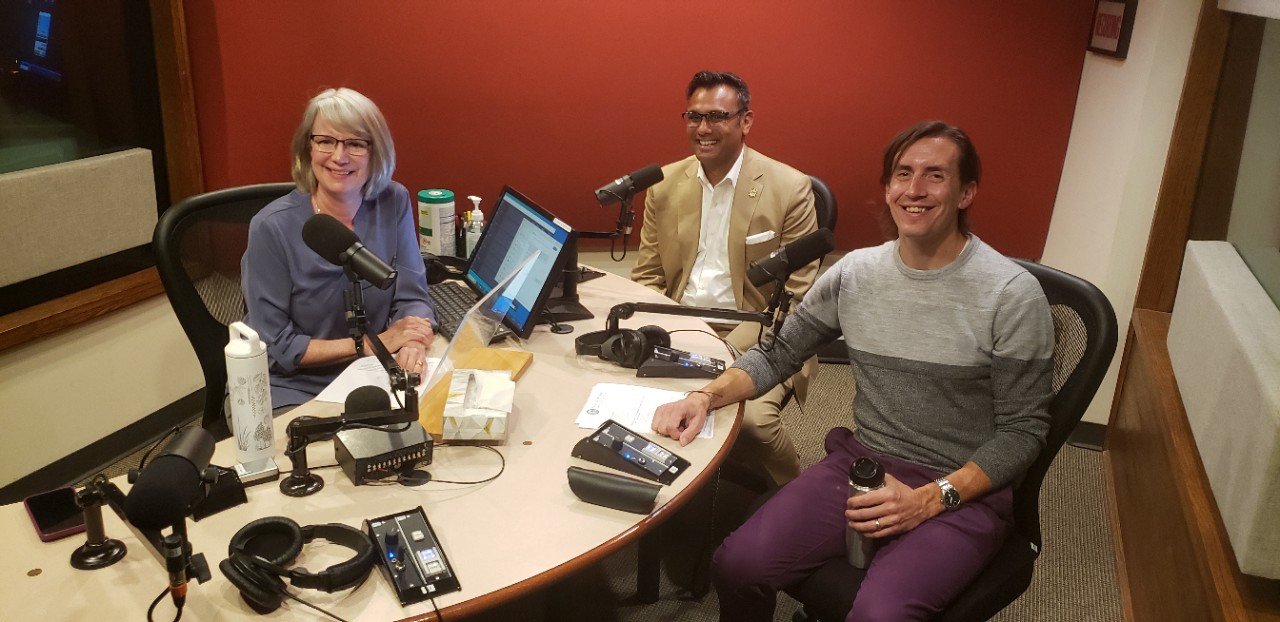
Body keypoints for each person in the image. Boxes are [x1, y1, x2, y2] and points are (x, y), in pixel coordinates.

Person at [652, 120, 1055, 620]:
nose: (914, 189)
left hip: (959, 487)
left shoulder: (1011, 294)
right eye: (903, 174)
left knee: (878, 616)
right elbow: (779, 352)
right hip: (865, 464)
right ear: (887, 188)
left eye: (935, 176)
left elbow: (1023, 429)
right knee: (738, 565)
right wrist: (704, 397)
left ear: (966, 192)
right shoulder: (856, 273)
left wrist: (933, 498)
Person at [632, 70, 820, 487]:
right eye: (694, 117)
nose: (703, 128)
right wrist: (669, 334)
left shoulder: (790, 188)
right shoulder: (664, 186)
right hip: (679, 327)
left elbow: (795, 299)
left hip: (759, 338)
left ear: (745, 121)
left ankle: (794, 492)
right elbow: (647, 277)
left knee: (752, 425)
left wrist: (723, 352)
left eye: (717, 116)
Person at [242, 87, 437, 408]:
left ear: (376, 152)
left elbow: (412, 295)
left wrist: (412, 342)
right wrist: (373, 344)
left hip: (374, 373)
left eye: (355, 144)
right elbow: (278, 344)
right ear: (308, 148)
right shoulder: (271, 227)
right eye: (325, 141)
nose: (339, 156)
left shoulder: (393, 201)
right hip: (292, 385)